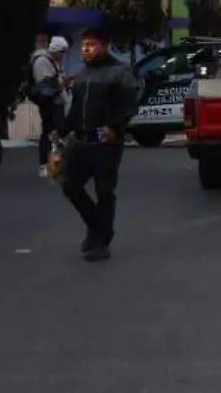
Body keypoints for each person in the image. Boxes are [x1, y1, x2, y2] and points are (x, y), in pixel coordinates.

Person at [59, 28, 142, 261]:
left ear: (104, 47)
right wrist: (62, 131)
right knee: (70, 185)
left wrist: (114, 128)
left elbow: (129, 106)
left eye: (92, 45)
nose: (86, 49)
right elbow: (75, 109)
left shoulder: (120, 72)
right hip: (79, 143)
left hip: (106, 144)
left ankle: (99, 243)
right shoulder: (82, 75)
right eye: (84, 45)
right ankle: (99, 227)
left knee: (104, 192)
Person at [30, 36, 70, 178]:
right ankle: (44, 165)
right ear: (56, 50)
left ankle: (55, 164)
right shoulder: (42, 61)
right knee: (50, 132)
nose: (64, 56)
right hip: (49, 103)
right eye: (63, 52)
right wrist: (61, 83)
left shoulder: (53, 61)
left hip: (56, 101)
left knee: (56, 132)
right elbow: (44, 84)